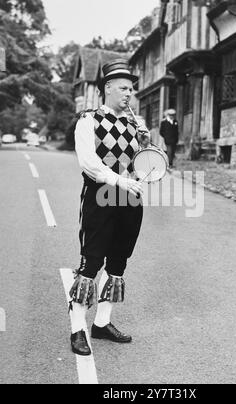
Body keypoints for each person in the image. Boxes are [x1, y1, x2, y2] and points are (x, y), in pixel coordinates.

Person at [69, 59, 150, 356]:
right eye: (123, 88)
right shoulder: (88, 119)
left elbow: (146, 167)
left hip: (129, 200)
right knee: (91, 263)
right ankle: (78, 327)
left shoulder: (133, 124)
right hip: (100, 197)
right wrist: (120, 181)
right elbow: (89, 163)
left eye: (131, 88)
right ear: (107, 88)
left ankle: (102, 324)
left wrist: (146, 144)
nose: (129, 93)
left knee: (118, 263)